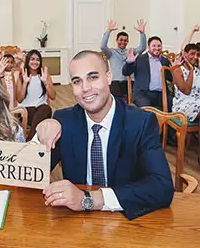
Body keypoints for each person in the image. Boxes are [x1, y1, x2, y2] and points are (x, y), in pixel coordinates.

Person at [42, 50, 174, 220]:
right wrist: (40, 136)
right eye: (77, 81)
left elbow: (162, 187)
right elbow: (28, 172)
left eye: (93, 77)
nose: (85, 88)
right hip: (76, 223)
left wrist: (90, 199)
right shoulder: (63, 121)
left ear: (109, 77)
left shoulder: (140, 122)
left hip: (127, 221)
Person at [100, 19, 147, 99]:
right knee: (117, 99)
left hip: (129, 82)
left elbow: (142, 48)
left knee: (135, 97)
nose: (123, 42)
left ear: (127, 41)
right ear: (117, 40)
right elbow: (103, 46)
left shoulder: (131, 51)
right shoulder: (111, 52)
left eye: (125, 40)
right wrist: (108, 31)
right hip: (116, 82)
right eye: (121, 40)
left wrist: (142, 33)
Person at [122, 36, 172, 109]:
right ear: (148, 47)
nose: (157, 48)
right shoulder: (140, 59)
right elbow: (126, 72)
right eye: (154, 46)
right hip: (142, 94)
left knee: (173, 104)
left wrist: (174, 69)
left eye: (159, 46)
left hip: (161, 94)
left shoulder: (165, 61)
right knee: (147, 109)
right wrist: (129, 62)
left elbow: (170, 78)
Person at [16, 50, 56, 141]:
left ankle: (29, 140)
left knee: (46, 109)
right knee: (42, 115)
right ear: (28, 61)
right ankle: (32, 141)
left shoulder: (44, 75)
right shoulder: (22, 76)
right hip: (25, 111)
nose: (35, 62)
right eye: (32, 59)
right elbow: (19, 99)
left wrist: (45, 82)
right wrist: (25, 83)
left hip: (41, 110)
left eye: (38, 60)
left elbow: (53, 96)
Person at [172, 43, 200, 121]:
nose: (195, 57)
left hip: (197, 102)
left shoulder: (198, 71)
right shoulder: (177, 71)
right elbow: (186, 91)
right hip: (183, 105)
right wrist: (191, 70)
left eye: (197, 55)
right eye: (192, 54)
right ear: (184, 54)